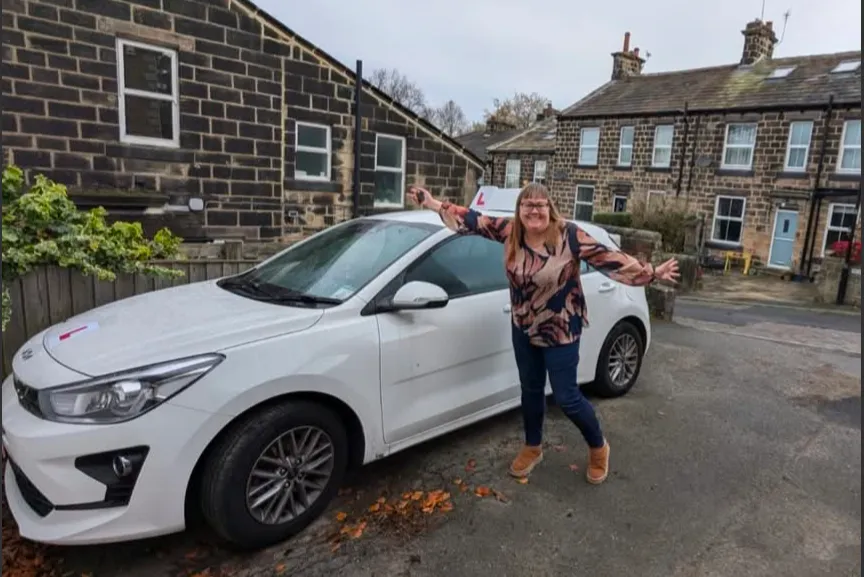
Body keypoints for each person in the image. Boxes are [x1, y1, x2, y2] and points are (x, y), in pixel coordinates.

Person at [407, 183, 679, 485]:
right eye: (528, 205)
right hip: (523, 325)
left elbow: (608, 258)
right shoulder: (511, 231)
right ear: (520, 210)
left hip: (560, 327)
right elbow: (473, 220)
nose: (534, 210)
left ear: (550, 209)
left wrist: (651, 271)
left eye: (540, 205)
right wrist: (431, 203)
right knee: (531, 390)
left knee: (567, 397)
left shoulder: (569, 235)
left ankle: (598, 446)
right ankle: (533, 447)